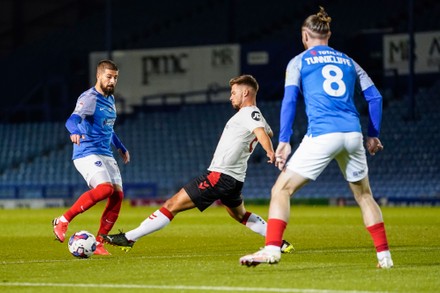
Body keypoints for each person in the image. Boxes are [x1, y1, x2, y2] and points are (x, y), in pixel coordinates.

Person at [240, 7, 393, 268]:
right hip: (353, 134)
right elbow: (375, 97)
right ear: (329, 34)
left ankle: (272, 250)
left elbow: (290, 100)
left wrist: (285, 140)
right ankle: (385, 257)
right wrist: (373, 135)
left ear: (304, 36)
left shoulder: (298, 61)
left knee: (281, 190)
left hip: (323, 133)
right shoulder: (349, 61)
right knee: (365, 196)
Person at [101, 75, 294, 254]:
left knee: (172, 204)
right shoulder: (254, 114)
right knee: (240, 215)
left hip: (220, 176)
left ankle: (129, 237)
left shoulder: (249, 113)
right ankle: (278, 241)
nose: (230, 97)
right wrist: (261, 138)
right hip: (235, 179)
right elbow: (267, 132)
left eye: (233, 92)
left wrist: (269, 151)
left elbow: (262, 133)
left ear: (245, 93)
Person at [52, 59, 130, 255]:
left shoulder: (110, 99)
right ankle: (62, 220)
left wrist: (120, 147)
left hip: (105, 152)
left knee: (117, 196)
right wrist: (74, 131)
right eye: (109, 77)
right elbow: (72, 119)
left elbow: (108, 128)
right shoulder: (89, 98)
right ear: (98, 76)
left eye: (115, 78)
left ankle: (100, 242)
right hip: (86, 151)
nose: (112, 81)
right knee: (104, 189)